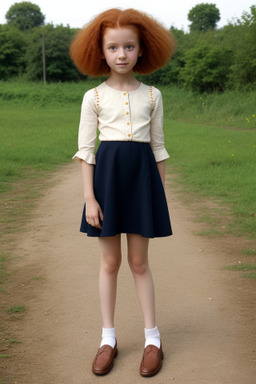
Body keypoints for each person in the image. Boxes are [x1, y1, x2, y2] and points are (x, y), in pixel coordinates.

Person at [70, 8, 175, 377]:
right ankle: (108, 338)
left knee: (139, 263)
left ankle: (152, 339)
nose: (121, 54)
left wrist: (158, 194)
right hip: (107, 185)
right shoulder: (93, 98)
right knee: (110, 263)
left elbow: (158, 148)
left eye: (129, 46)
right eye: (113, 47)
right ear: (101, 52)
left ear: (141, 49)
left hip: (142, 184)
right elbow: (86, 151)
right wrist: (89, 198)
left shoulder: (153, 95)